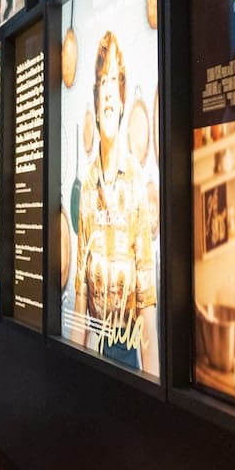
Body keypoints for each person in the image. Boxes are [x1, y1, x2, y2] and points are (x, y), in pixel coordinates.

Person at [73, 31, 158, 372]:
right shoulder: (88, 186)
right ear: (96, 102)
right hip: (93, 346)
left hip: (128, 353)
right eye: (102, 82)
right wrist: (74, 366)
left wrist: (152, 384)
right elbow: (80, 293)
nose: (108, 92)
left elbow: (146, 299)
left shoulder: (136, 181)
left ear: (122, 101)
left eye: (113, 82)